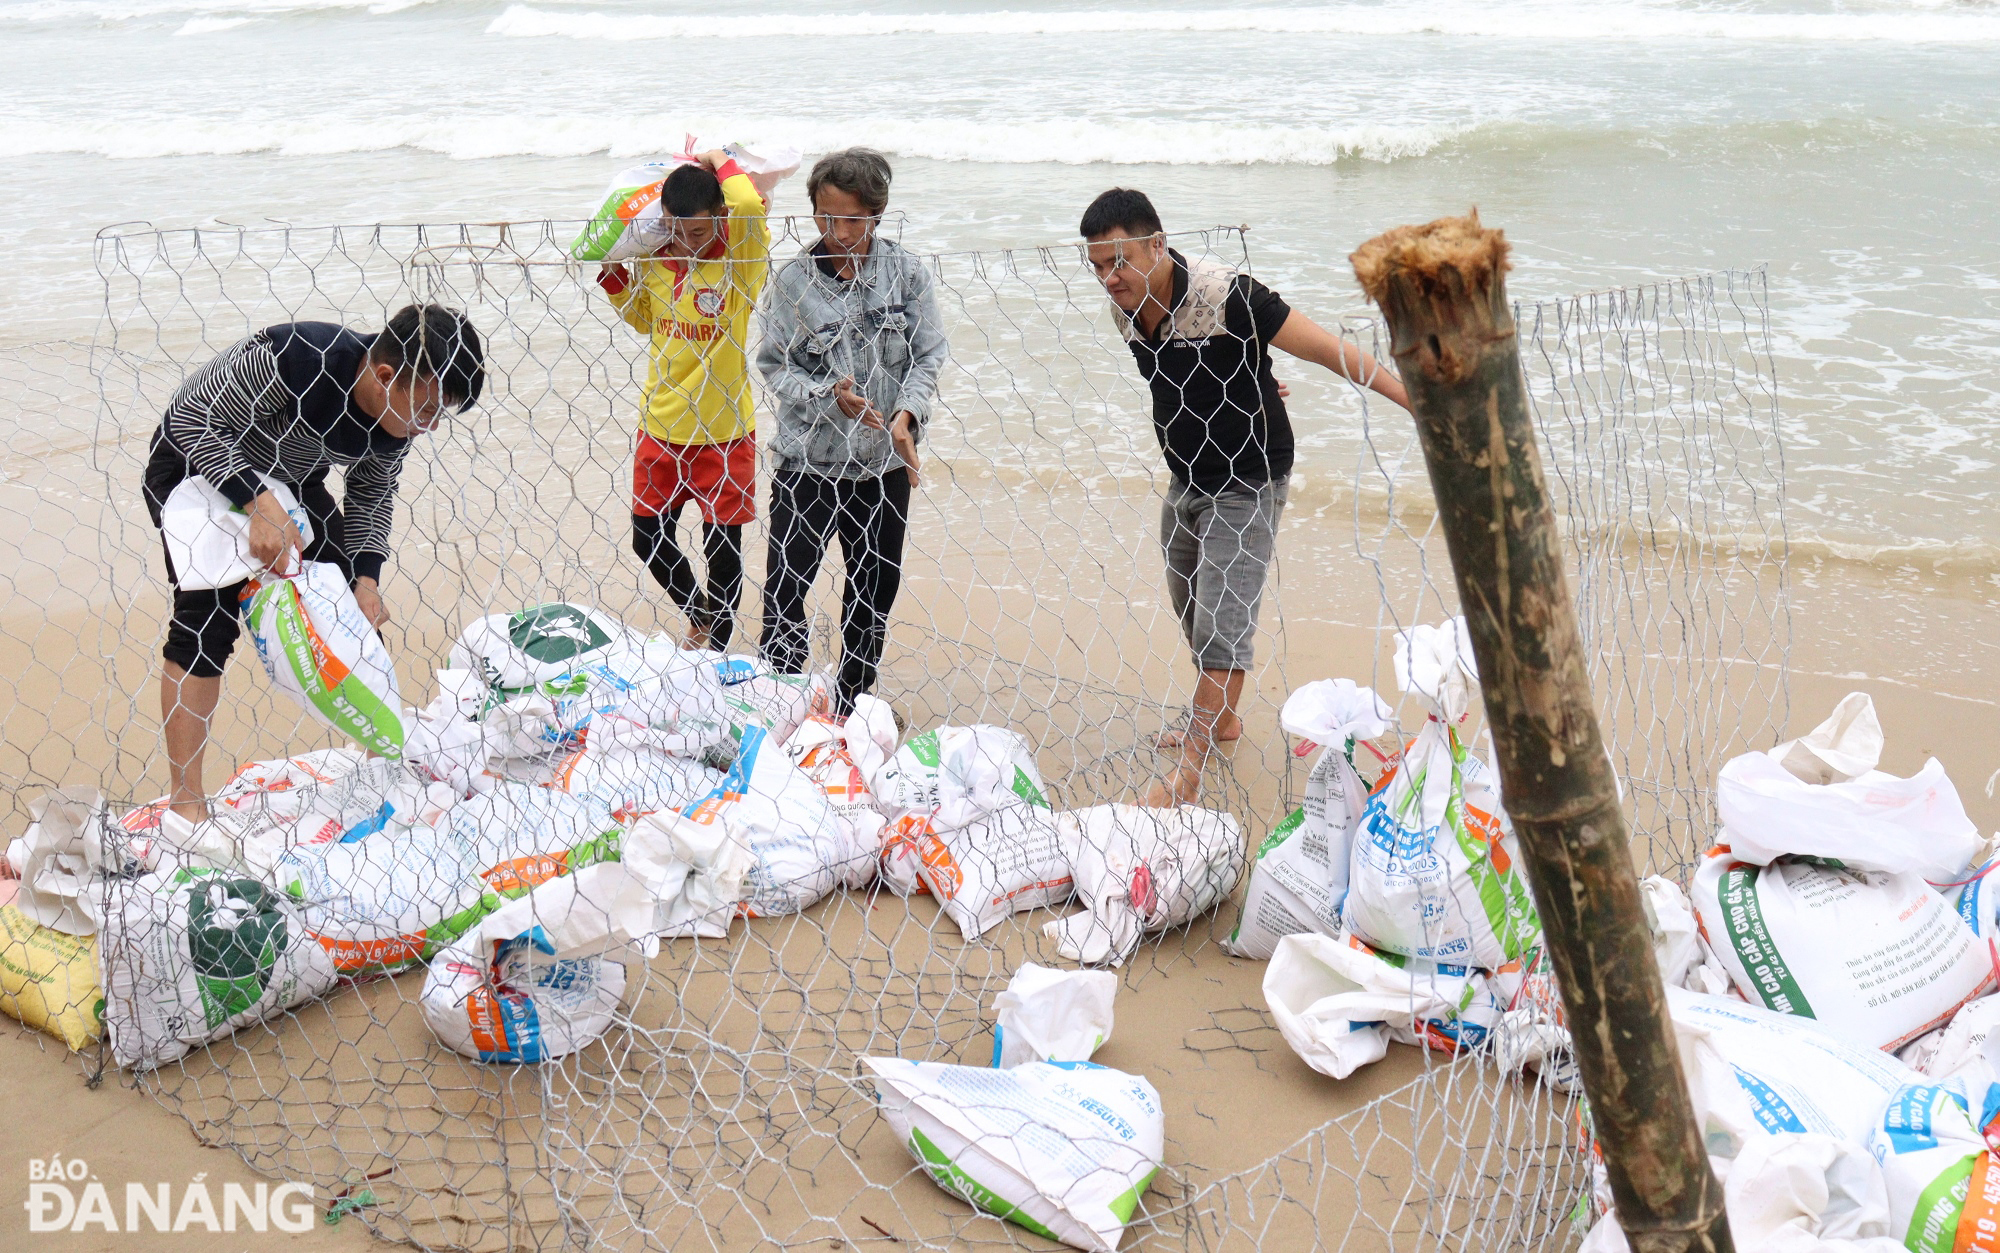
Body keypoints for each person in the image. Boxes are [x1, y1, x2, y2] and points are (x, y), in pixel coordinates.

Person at [1079, 188, 1411, 805]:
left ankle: (1189, 776)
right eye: (1097, 266)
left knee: (1221, 625)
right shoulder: (1125, 306)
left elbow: (1333, 353)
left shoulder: (1229, 295)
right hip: (1186, 477)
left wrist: (1417, 404)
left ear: (1158, 244)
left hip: (1249, 476)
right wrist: (1251, 374)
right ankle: (1224, 718)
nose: (1109, 278)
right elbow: (1174, 375)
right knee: (1189, 605)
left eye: (1119, 261)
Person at [143, 304, 485, 820]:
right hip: (194, 469)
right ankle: (186, 800)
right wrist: (256, 501)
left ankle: (381, 762)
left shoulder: (397, 419)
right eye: (427, 411)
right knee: (206, 622)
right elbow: (193, 421)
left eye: (439, 415)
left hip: (290, 477)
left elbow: (372, 494)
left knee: (353, 607)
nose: (429, 427)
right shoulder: (296, 357)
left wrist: (367, 579)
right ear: (385, 376)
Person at [756, 148, 947, 714]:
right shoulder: (792, 282)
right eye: (824, 217)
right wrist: (826, 396)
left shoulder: (907, 273)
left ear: (878, 215)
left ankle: (850, 707)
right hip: (807, 466)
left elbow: (928, 354)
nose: (837, 232)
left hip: (882, 468)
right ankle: (782, 703)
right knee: (787, 590)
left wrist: (906, 415)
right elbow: (773, 364)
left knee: (873, 594)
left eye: (852, 220)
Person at [598, 150, 773, 650]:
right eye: (677, 231)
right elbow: (644, 319)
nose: (688, 243)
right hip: (660, 425)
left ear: (718, 219)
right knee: (646, 538)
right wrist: (615, 279)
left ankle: (714, 647)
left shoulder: (742, 263)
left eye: (699, 232)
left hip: (724, 431)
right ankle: (700, 615)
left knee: (722, 548)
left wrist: (717, 157)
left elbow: (746, 203)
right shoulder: (657, 261)